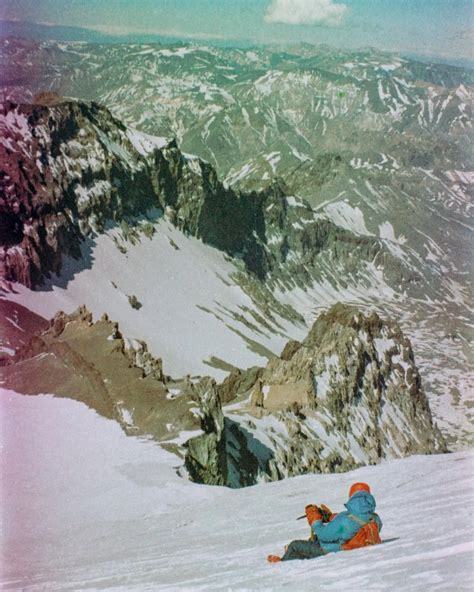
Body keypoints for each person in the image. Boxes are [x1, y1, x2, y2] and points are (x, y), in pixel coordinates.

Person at [267, 482, 382, 562]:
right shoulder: (375, 518)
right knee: (312, 541)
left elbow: (324, 536)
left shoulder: (344, 520)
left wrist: (315, 519)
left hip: (333, 549)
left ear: (352, 497)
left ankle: (282, 564)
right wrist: (331, 517)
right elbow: (353, 523)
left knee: (295, 545)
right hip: (348, 544)